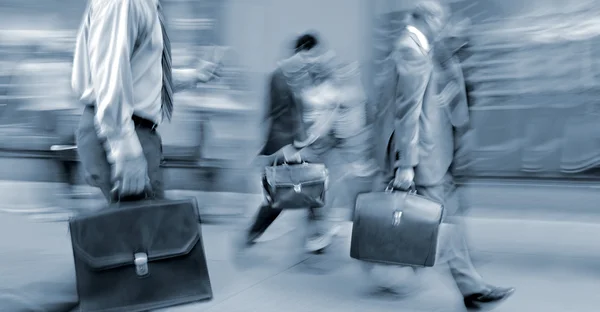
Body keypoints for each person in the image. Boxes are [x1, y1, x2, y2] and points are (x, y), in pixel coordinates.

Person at [0, 0, 214, 310]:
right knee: (145, 251)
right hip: (123, 133)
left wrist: (195, 76)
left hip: (132, 132)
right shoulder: (125, 2)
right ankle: (33, 305)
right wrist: (126, 149)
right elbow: (109, 78)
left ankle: (37, 304)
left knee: (142, 254)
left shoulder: (146, 6)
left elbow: (140, 76)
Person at [370, 1, 515, 310]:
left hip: (429, 157)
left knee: (442, 218)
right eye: (439, 18)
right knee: (441, 219)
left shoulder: (417, 47)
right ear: (426, 17)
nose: (442, 25)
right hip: (421, 159)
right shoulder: (410, 49)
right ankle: (469, 287)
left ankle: (465, 285)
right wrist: (405, 164)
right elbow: (406, 112)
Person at [240, 32, 374, 253]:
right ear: (303, 51)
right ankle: (257, 232)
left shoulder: (303, 75)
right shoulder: (282, 77)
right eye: (312, 55)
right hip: (290, 147)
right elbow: (281, 116)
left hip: (305, 146)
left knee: (310, 189)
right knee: (284, 194)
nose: (314, 61)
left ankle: (316, 238)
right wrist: (291, 146)